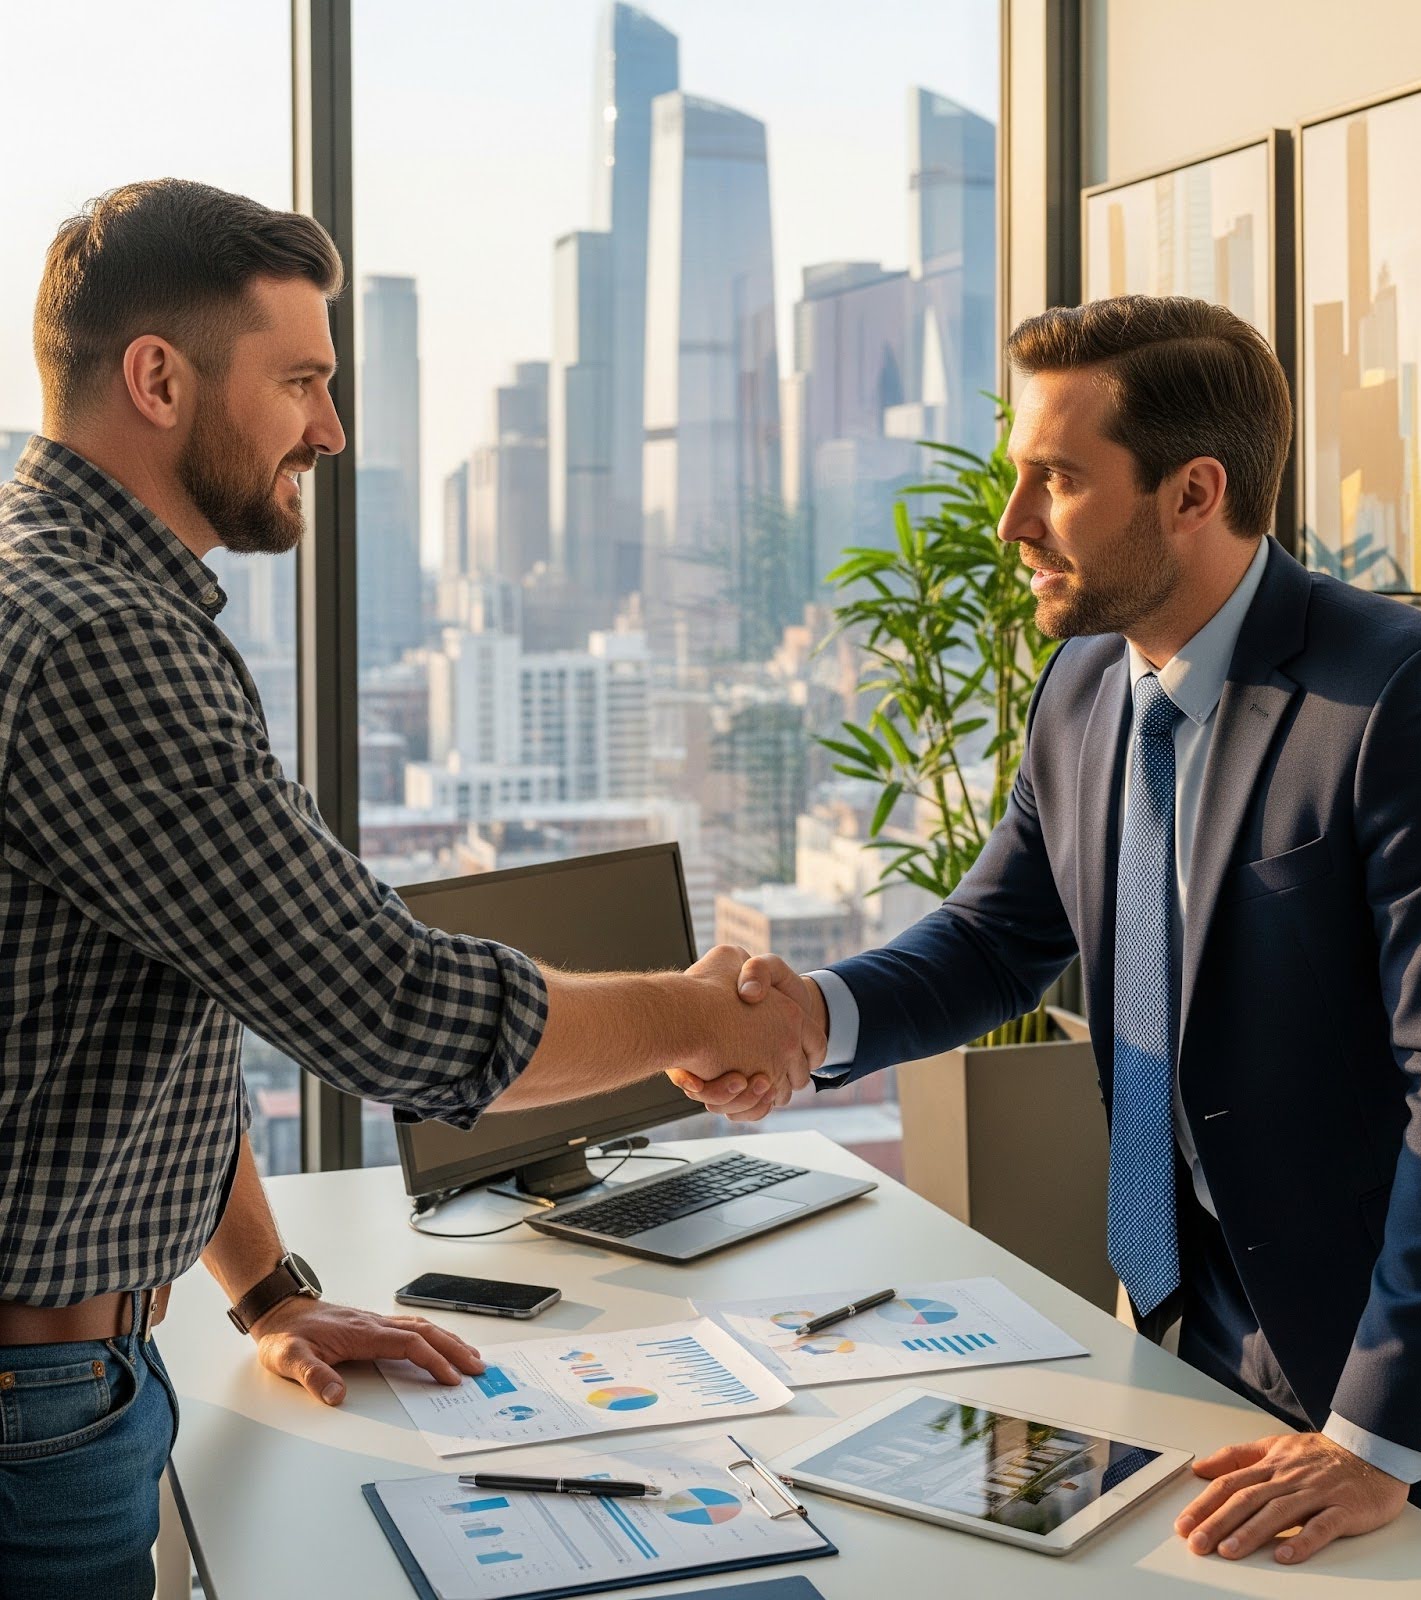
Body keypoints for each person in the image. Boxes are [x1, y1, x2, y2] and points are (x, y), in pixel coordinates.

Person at [675, 295, 1421, 1584]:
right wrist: (810, 1019)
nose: (1012, 526)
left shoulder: (1413, 702)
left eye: (1056, 480)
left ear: (1192, 491)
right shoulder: (1085, 686)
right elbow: (999, 937)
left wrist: (1378, 1438)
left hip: (1413, 1353)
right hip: (1199, 1318)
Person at [0, 178, 818, 1598]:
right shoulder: (100, 642)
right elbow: (391, 1011)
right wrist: (696, 1018)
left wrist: (269, 1290)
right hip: (36, 1410)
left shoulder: (58, 588)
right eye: (301, 380)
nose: (329, 428)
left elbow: (163, 1006)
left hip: (72, 1372)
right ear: (156, 377)